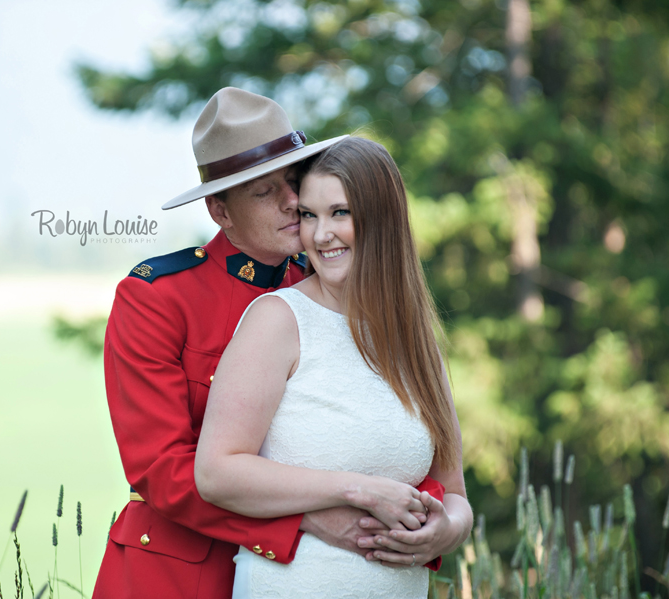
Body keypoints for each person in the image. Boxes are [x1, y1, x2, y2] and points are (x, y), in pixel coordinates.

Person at [91, 87, 375, 599]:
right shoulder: (156, 297)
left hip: (315, 576)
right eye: (264, 192)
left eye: (294, 180)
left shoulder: (336, 288)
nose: (293, 201)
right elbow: (161, 469)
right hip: (180, 576)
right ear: (220, 211)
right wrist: (305, 520)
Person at [194, 137, 473, 598]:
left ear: (382, 219)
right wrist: (357, 490)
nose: (320, 235)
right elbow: (216, 472)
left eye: (339, 213)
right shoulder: (278, 320)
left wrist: (449, 531)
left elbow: (455, 492)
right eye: (308, 215)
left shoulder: (416, 339)